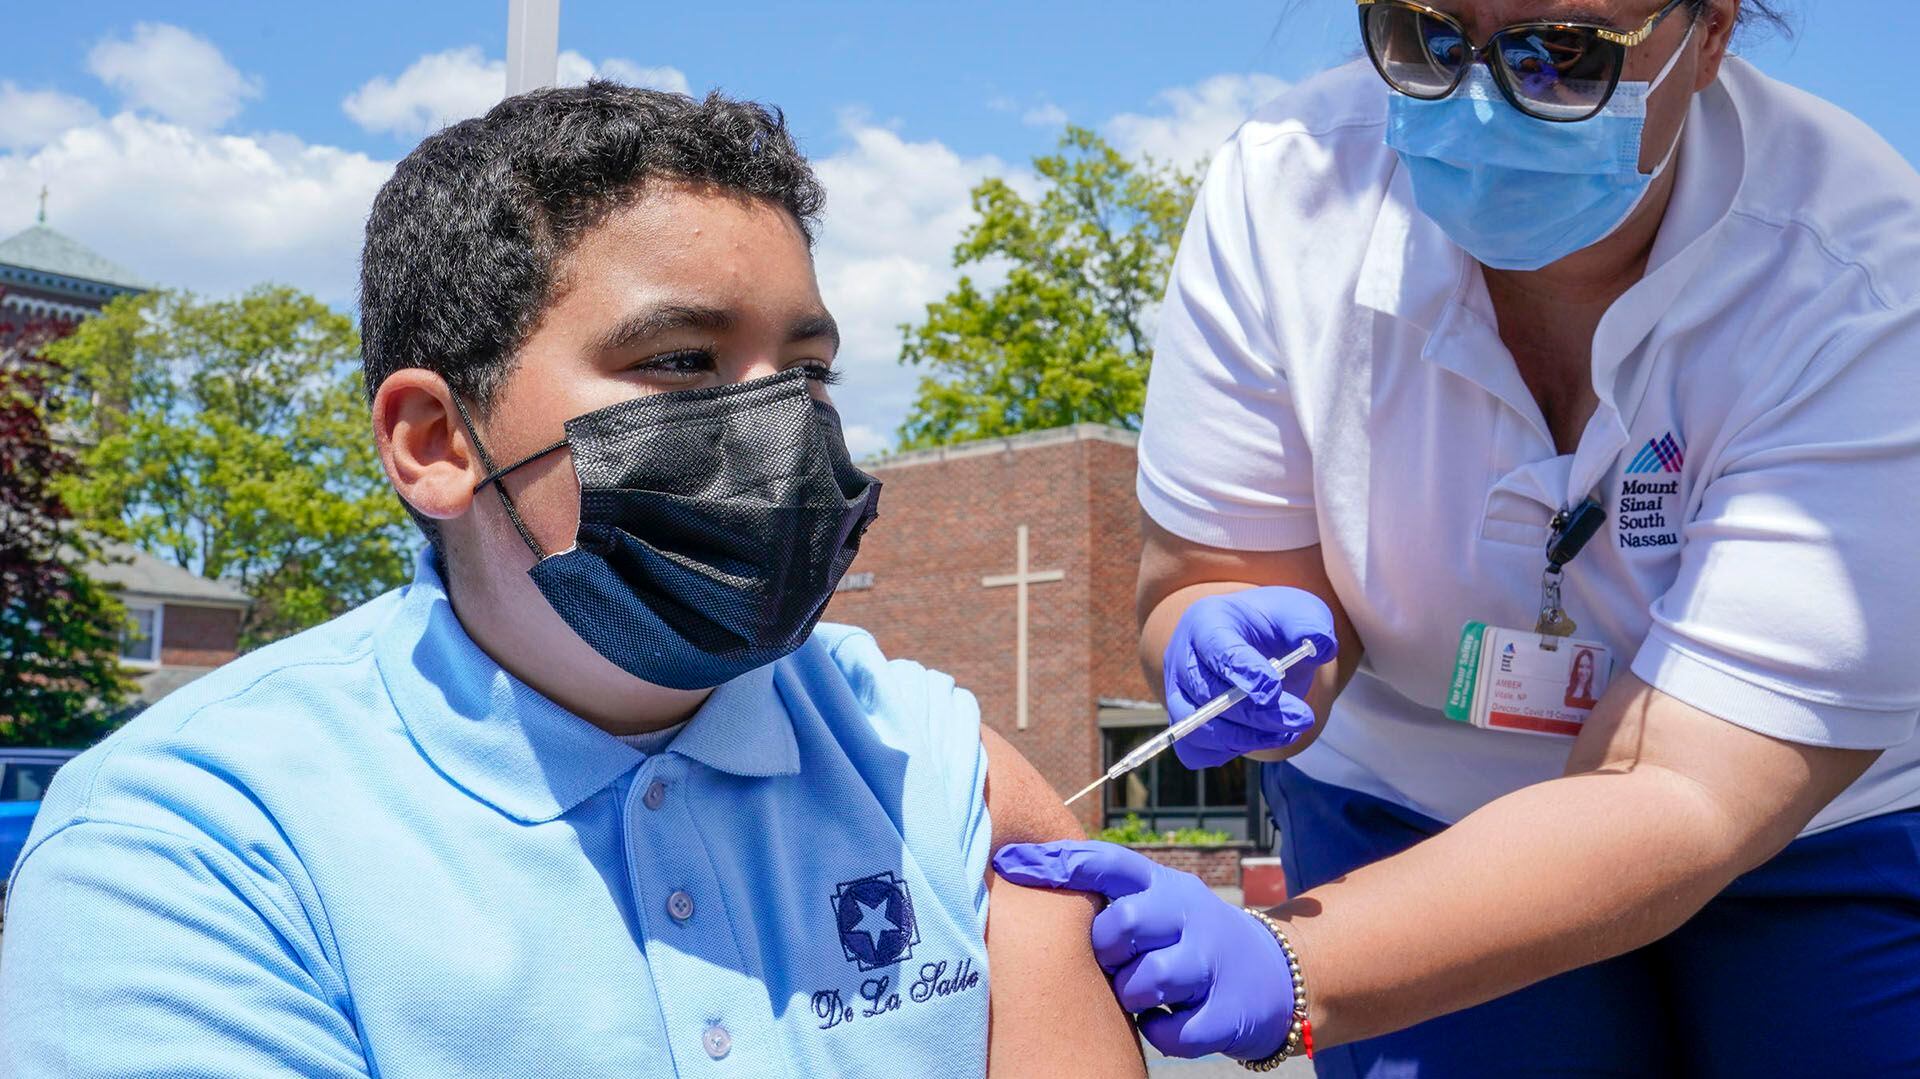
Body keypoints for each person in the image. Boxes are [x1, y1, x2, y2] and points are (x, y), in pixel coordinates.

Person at [0, 85, 1143, 1078]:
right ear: (437, 440)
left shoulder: (915, 757)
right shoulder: (191, 845)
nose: (781, 428)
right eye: (682, 360)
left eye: (808, 370)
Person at [997, 1, 1920, 1075]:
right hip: (1403, 805)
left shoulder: (1864, 281)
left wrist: (1293, 965)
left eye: (1564, 53)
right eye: (1424, 37)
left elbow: (1686, 789)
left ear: (1707, 33)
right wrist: (1221, 625)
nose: (1479, 100)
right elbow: (1205, 572)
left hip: (1811, 827)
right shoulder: (1283, 191)